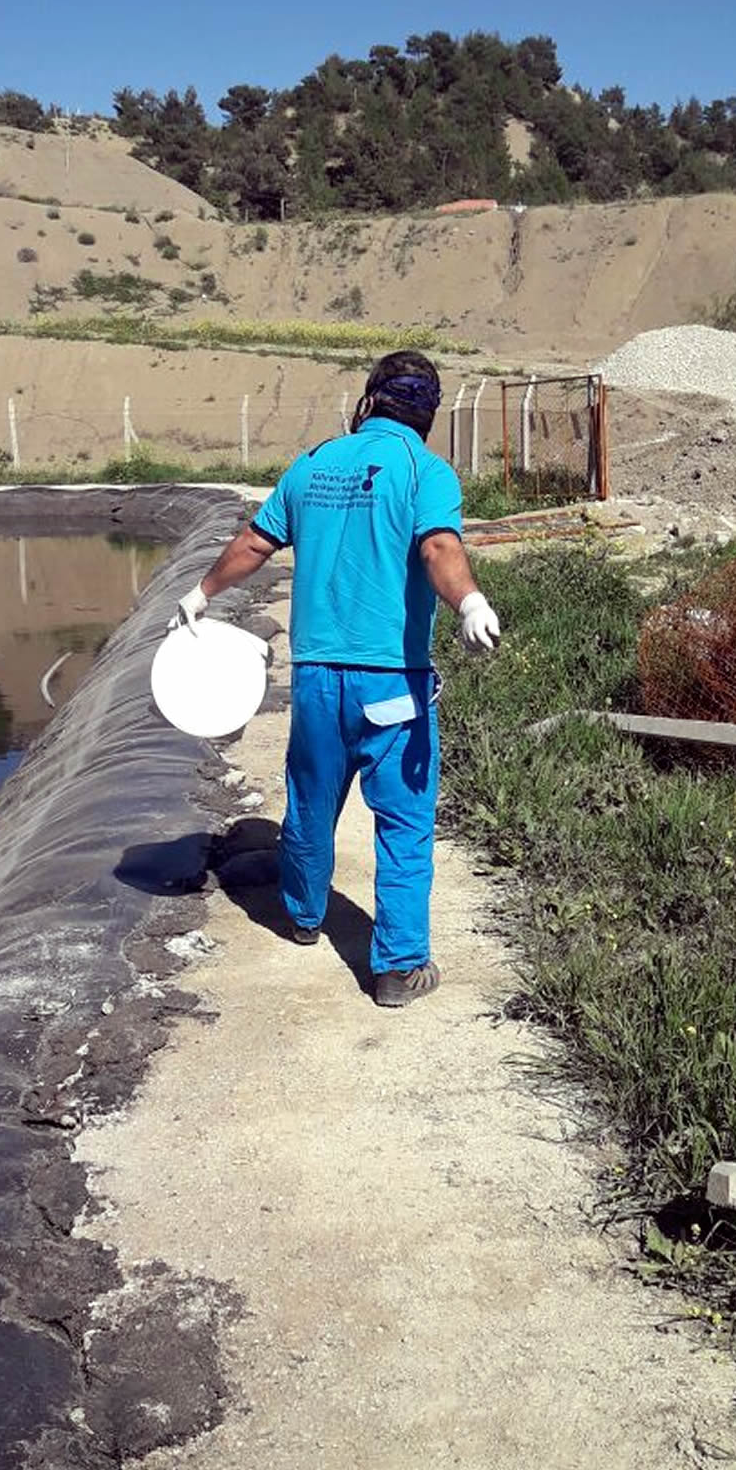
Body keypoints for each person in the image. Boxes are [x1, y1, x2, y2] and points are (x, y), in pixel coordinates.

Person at [170, 350, 500, 1007]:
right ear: (427, 416)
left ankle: (301, 915)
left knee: (311, 801)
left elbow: (255, 543)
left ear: (369, 400)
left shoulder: (314, 463)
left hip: (318, 677)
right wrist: (469, 602)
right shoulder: (425, 471)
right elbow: (438, 546)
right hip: (392, 685)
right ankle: (399, 968)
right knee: (403, 822)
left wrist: (201, 593)